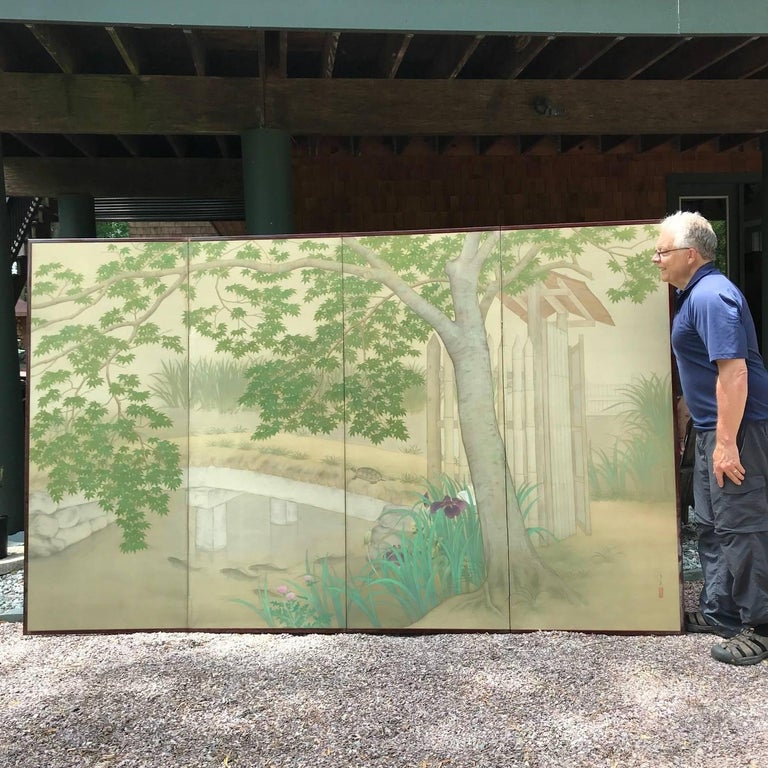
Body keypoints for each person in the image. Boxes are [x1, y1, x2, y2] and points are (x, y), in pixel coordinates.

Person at [654, 210, 768, 665]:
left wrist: (725, 442)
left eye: (662, 251)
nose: (656, 259)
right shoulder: (693, 295)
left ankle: (760, 626)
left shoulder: (712, 296)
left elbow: (734, 372)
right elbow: (704, 366)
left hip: (739, 429)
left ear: (690, 254)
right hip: (712, 428)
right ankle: (722, 611)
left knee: (741, 525)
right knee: (709, 522)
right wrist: (689, 410)